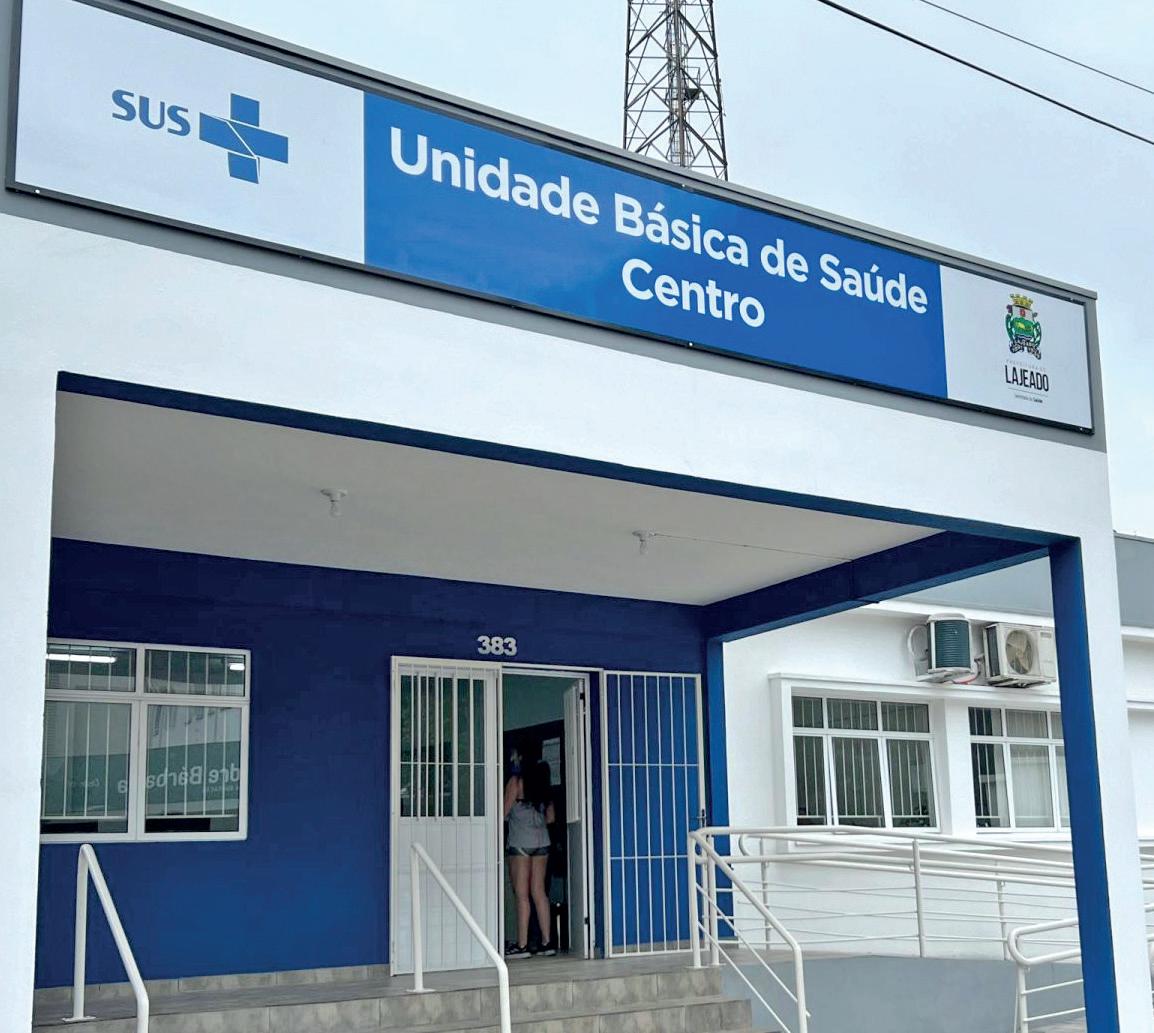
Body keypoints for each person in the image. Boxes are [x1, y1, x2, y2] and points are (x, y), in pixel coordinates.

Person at [503, 755, 556, 958]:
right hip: (542, 843)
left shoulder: (516, 782)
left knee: (522, 894)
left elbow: (503, 812)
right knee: (539, 892)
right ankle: (547, 942)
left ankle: (522, 945)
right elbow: (551, 818)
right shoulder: (544, 784)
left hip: (520, 842)